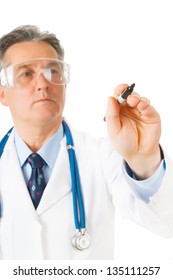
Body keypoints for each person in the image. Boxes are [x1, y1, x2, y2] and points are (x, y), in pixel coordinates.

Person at [0, 25, 173, 260]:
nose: (43, 83)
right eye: (26, 73)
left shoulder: (103, 156)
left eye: (53, 71)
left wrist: (143, 158)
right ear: (2, 93)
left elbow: (165, 222)